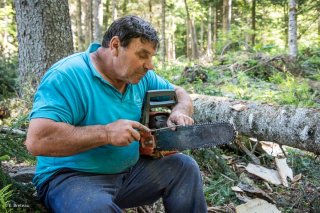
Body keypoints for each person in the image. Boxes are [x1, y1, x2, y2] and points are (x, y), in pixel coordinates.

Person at [25, 15, 207, 213]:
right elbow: (37, 140)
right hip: (70, 178)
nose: (149, 65)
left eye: (151, 57)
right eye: (142, 55)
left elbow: (180, 93)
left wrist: (180, 111)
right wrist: (106, 134)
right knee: (96, 207)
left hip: (128, 175)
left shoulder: (140, 78)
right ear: (115, 45)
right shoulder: (67, 75)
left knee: (184, 167)